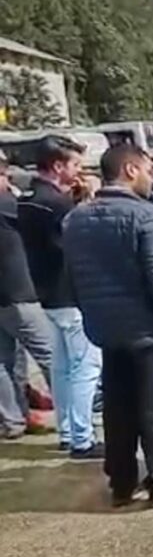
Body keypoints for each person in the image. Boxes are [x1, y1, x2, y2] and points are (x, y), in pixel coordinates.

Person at [63, 144, 153, 507]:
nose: (151, 178)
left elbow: (74, 279)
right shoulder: (147, 217)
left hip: (107, 330)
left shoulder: (75, 219)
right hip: (151, 330)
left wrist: (95, 315)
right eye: (147, 170)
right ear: (129, 170)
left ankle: (122, 482)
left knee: (118, 407)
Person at [18, 136, 103, 459]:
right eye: (75, 165)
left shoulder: (27, 199)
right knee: (85, 368)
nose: (80, 171)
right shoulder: (59, 205)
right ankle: (82, 437)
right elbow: (83, 242)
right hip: (70, 295)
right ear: (58, 166)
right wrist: (89, 200)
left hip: (45, 294)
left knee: (62, 368)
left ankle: (68, 432)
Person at [0, 151, 51, 438]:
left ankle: (13, 421)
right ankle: (76, 415)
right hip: (17, 292)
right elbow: (30, 208)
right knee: (52, 355)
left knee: (5, 361)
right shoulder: (6, 203)